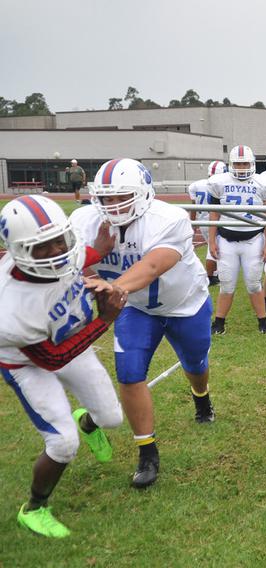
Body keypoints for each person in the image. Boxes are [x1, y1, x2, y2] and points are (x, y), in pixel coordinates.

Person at [71, 158, 215, 490]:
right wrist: (91, 271)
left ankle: (201, 394)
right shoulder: (84, 220)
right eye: (106, 197)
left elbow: (152, 267)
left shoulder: (169, 218)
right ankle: (146, 451)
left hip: (184, 304)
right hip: (136, 308)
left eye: (121, 196)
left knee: (196, 363)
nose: (113, 205)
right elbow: (77, 265)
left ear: (143, 193)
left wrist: (114, 287)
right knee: (130, 372)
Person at [0, 196, 126, 537]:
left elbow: (78, 255)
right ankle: (34, 507)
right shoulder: (9, 308)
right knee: (62, 444)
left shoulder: (65, 254)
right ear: (18, 251)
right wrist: (106, 320)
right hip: (29, 364)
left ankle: (87, 423)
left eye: (61, 239)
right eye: (42, 246)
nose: (57, 251)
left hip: (72, 341)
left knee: (112, 418)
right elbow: (54, 359)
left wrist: (98, 248)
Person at [206, 145, 266, 335]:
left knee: (254, 283)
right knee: (226, 283)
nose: (241, 167)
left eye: (244, 163)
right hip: (226, 240)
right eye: (237, 164)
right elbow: (214, 214)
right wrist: (211, 241)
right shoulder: (218, 182)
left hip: (253, 239)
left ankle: (263, 323)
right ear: (231, 164)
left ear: (252, 163)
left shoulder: (263, 183)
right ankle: (219, 323)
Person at [187, 160, 227, 286]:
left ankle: (214, 274)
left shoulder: (196, 185)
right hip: (215, 220)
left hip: (202, 220)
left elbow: (193, 207)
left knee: (214, 248)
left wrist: (193, 223)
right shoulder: (220, 185)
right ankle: (210, 277)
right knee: (213, 249)